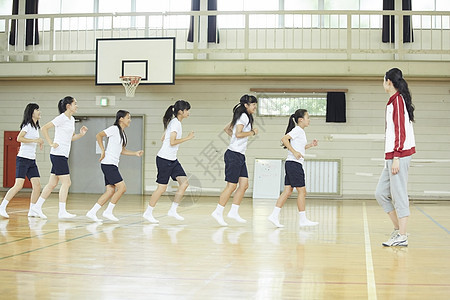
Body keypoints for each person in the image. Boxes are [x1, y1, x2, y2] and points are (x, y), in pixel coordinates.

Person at [375, 68, 416, 247]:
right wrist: (390, 158)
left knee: (399, 195)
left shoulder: (398, 100)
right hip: (392, 156)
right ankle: (399, 230)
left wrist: (397, 156)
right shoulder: (392, 102)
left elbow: (401, 130)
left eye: (383, 80)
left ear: (389, 82)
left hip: (400, 155)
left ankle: (402, 236)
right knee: (381, 193)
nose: (382, 84)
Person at [31, 96, 88, 219]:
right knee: (67, 182)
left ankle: (36, 206)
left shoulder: (72, 119)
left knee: (52, 184)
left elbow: (71, 138)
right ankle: (62, 211)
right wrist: (51, 143)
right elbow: (44, 128)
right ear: (68, 106)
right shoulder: (61, 118)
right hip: (58, 154)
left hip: (63, 155)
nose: (76, 106)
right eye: (75, 103)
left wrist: (81, 135)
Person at [86, 110, 143, 222]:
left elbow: (122, 150)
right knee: (122, 188)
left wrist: (135, 153)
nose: (130, 120)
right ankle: (108, 212)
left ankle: (92, 212)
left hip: (112, 165)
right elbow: (99, 135)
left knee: (110, 191)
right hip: (108, 164)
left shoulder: (123, 133)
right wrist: (103, 150)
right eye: (128, 118)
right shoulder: (114, 129)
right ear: (121, 119)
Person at [143, 100, 194, 223]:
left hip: (172, 160)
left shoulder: (174, 122)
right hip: (164, 160)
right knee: (161, 188)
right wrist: (187, 138)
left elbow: (163, 138)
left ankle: (173, 210)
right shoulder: (175, 123)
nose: (188, 112)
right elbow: (171, 142)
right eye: (187, 110)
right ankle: (148, 212)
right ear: (181, 111)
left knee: (184, 183)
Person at [211, 94, 258, 226]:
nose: (255, 107)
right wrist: (252, 133)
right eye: (253, 104)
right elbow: (238, 133)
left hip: (239, 155)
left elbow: (228, 129)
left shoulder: (242, 116)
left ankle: (233, 212)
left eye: (255, 104)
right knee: (231, 186)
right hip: (234, 155)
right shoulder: (243, 116)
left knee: (244, 185)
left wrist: (235, 139)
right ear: (246, 105)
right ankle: (218, 212)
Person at [268, 109, 319, 228]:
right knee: (302, 191)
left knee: (288, 191)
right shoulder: (297, 130)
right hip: (294, 164)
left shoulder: (301, 132)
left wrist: (311, 145)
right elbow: (284, 139)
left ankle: (274, 215)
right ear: (301, 119)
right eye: (308, 117)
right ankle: (303, 219)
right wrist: (294, 152)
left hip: (292, 163)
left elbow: (300, 148)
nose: (309, 120)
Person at [0, 103, 44, 218]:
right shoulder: (27, 125)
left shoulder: (35, 126)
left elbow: (34, 140)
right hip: (23, 159)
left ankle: (32, 210)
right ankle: (2, 206)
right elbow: (19, 138)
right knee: (18, 185)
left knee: (37, 185)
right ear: (32, 112)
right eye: (37, 109)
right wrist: (35, 140)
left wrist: (39, 142)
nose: (39, 112)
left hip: (32, 160)